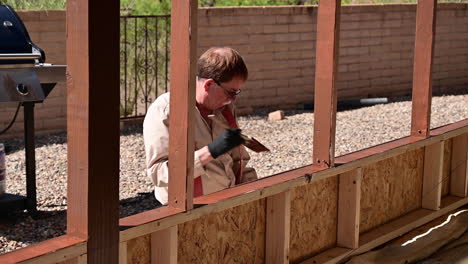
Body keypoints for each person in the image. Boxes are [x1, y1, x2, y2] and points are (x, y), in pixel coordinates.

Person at [143, 47, 258, 205]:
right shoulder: (167, 111)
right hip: (187, 211)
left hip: (226, 207)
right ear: (209, 84)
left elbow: (240, 162)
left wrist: (255, 194)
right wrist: (210, 152)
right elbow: (158, 174)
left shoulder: (224, 109)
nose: (233, 100)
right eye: (231, 92)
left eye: (237, 93)